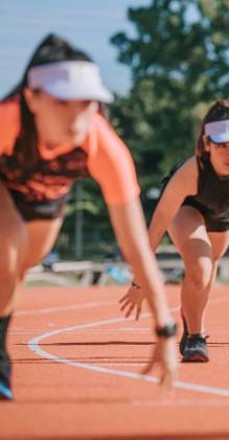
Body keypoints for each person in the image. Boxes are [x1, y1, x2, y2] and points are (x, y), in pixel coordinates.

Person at [0, 34, 177, 400]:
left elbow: (135, 245)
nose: (77, 114)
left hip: (46, 200)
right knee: (7, 251)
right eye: (63, 101)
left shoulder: (104, 146)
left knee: (19, 269)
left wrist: (165, 327)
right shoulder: (6, 121)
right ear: (31, 99)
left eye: (88, 102)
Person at [119, 100, 229, 363]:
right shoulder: (190, 173)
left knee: (209, 271)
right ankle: (197, 336)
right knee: (200, 266)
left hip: (223, 213)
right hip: (186, 208)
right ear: (207, 143)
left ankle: (191, 319)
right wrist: (139, 280)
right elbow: (157, 226)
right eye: (222, 145)